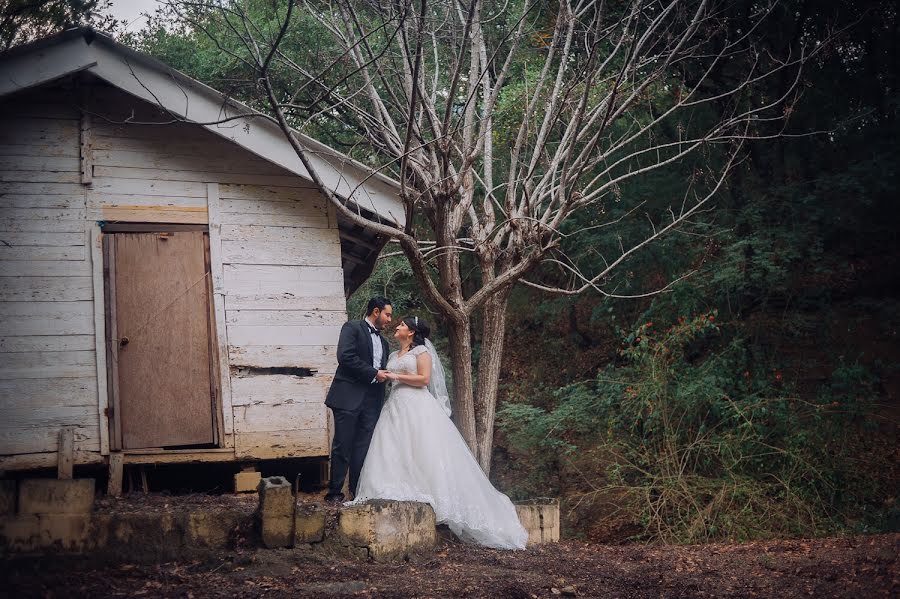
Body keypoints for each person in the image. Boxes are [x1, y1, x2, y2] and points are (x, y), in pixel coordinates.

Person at [351, 316, 528, 550]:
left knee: (424, 450)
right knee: (393, 449)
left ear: (412, 332)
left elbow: (424, 380)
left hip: (417, 405)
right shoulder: (393, 356)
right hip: (394, 406)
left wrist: (395, 376)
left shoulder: (421, 352)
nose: (397, 326)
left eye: (402, 325)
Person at [324, 297, 393, 503]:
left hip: (373, 400)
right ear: (375, 311)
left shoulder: (384, 342)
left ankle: (357, 492)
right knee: (342, 446)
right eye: (387, 314)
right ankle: (334, 493)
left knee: (363, 448)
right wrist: (374, 372)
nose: (389, 319)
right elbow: (345, 356)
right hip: (348, 396)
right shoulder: (352, 328)